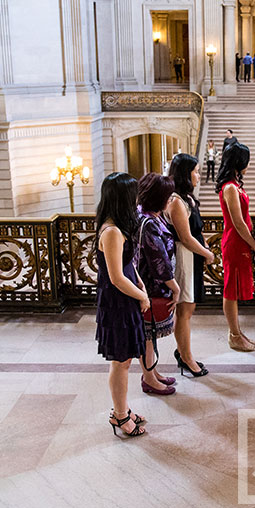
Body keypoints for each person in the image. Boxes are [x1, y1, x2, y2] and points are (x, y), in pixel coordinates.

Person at [93, 172, 151, 438]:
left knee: (124, 360)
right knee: (120, 361)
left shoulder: (117, 226)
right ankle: (119, 417)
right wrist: (142, 296)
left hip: (127, 295)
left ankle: (123, 408)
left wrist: (140, 284)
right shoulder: (112, 231)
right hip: (118, 301)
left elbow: (128, 266)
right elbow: (116, 277)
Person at [165, 153, 216, 377]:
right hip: (183, 258)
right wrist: (207, 253)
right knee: (184, 309)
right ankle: (186, 357)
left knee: (189, 307)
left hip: (191, 256)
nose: (198, 175)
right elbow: (185, 237)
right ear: (185, 174)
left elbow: (196, 229)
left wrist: (203, 247)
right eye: (195, 171)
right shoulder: (175, 200)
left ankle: (183, 351)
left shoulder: (186, 198)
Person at [217, 142, 255, 352]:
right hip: (235, 242)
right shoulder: (229, 187)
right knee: (230, 290)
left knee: (235, 289)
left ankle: (237, 332)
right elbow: (238, 222)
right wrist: (254, 245)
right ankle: (234, 335)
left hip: (240, 241)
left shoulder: (234, 185)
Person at [135, 173, 179, 396]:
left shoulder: (149, 216)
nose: (171, 199)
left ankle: (152, 371)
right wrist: (175, 287)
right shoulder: (148, 223)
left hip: (152, 285)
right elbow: (158, 262)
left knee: (150, 336)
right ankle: (149, 378)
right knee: (148, 336)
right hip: (150, 287)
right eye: (168, 196)